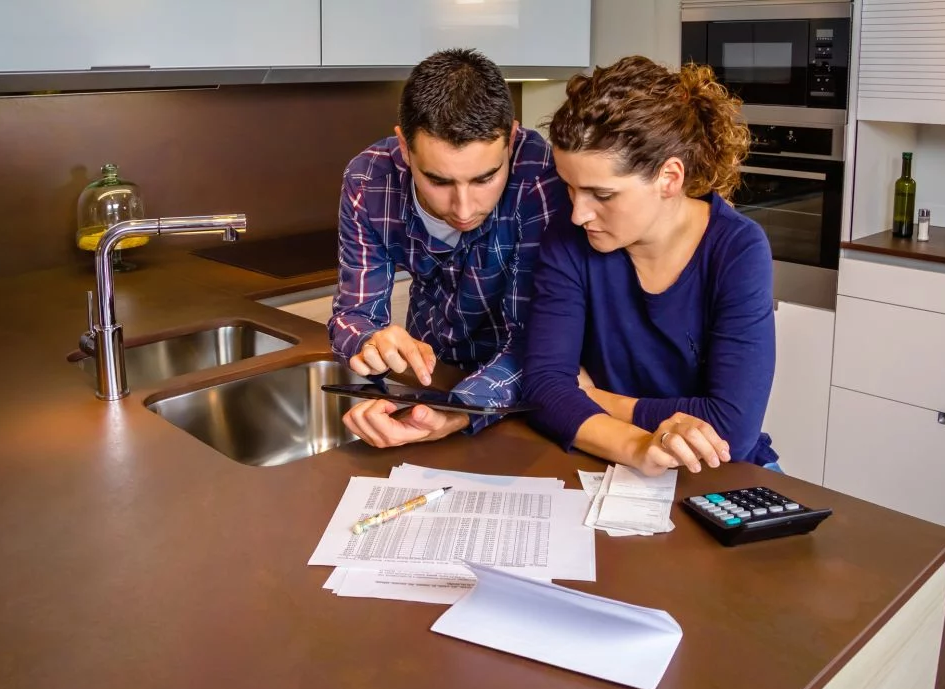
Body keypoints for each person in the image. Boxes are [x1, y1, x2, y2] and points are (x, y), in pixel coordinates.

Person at [522, 56, 779, 477]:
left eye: (601, 195)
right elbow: (544, 387)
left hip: (723, 475)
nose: (578, 213)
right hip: (610, 462)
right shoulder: (567, 240)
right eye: (569, 188)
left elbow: (732, 429)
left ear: (669, 178)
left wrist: (598, 398)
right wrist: (640, 444)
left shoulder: (737, 249)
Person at [329, 48, 567, 448]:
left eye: (485, 178)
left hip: (519, 396)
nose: (464, 208)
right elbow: (353, 315)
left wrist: (462, 409)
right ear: (405, 148)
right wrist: (372, 341)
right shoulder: (368, 179)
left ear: (510, 139)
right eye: (439, 181)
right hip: (430, 383)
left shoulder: (541, 176)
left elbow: (536, 341)